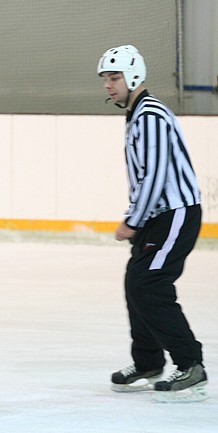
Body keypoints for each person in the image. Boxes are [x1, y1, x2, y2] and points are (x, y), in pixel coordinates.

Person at [97, 45, 208, 402]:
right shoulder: (137, 115)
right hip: (157, 216)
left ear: (133, 77)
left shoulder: (151, 115)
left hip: (175, 213)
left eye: (114, 78)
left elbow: (156, 175)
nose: (108, 85)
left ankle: (190, 364)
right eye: (105, 79)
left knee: (150, 284)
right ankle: (148, 362)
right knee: (137, 283)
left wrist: (132, 220)